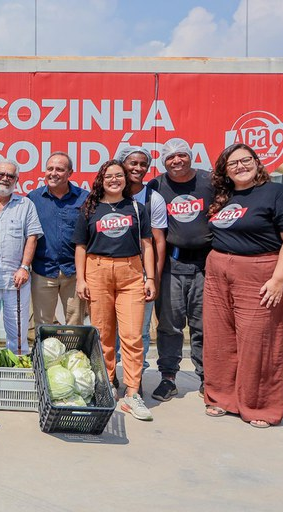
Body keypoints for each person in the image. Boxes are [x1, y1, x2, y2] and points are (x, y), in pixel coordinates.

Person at [203, 143, 283, 428]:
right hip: (218, 270)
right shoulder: (224, 197)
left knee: (259, 342)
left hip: (259, 271)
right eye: (233, 164)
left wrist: (278, 279)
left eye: (246, 160)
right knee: (219, 337)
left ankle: (261, 405)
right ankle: (221, 396)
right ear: (225, 171)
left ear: (257, 162)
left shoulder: (276, 193)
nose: (241, 166)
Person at [74, 160, 156, 421]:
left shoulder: (136, 207)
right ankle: (107, 383)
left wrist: (150, 277)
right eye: (109, 176)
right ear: (101, 179)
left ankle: (132, 393)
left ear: (125, 179)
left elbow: (148, 244)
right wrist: (81, 279)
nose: (114, 180)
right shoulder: (89, 208)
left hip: (130, 273)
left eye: (119, 176)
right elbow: (80, 247)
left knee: (132, 335)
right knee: (103, 334)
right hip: (96, 270)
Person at [148, 138, 213, 402]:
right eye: (170, 157)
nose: (177, 161)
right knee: (169, 326)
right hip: (172, 266)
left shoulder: (210, 181)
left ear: (190, 156)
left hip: (205, 265)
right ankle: (168, 377)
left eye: (181, 155)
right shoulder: (157, 185)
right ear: (164, 162)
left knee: (204, 325)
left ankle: (207, 378)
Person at [113, 146, 168, 388]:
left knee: (140, 330)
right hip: (110, 270)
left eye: (142, 164)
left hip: (139, 273)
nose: (137, 168)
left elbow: (158, 242)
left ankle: (135, 379)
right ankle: (108, 376)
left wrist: (152, 278)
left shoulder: (151, 198)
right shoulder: (109, 193)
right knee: (108, 328)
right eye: (132, 163)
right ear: (121, 165)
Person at [0, 160, 41, 353]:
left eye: (10, 176)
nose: (5, 179)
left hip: (16, 280)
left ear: (17, 180)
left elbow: (32, 237)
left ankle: (17, 373)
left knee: (17, 334)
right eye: (1, 175)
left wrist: (24, 267)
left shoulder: (26, 205)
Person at [27, 152, 88, 336]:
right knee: (43, 324)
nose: (53, 173)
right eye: (50, 168)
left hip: (74, 272)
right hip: (43, 270)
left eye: (60, 169)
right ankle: (46, 360)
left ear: (70, 172)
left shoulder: (85, 198)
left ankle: (73, 360)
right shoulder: (33, 199)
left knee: (75, 324)